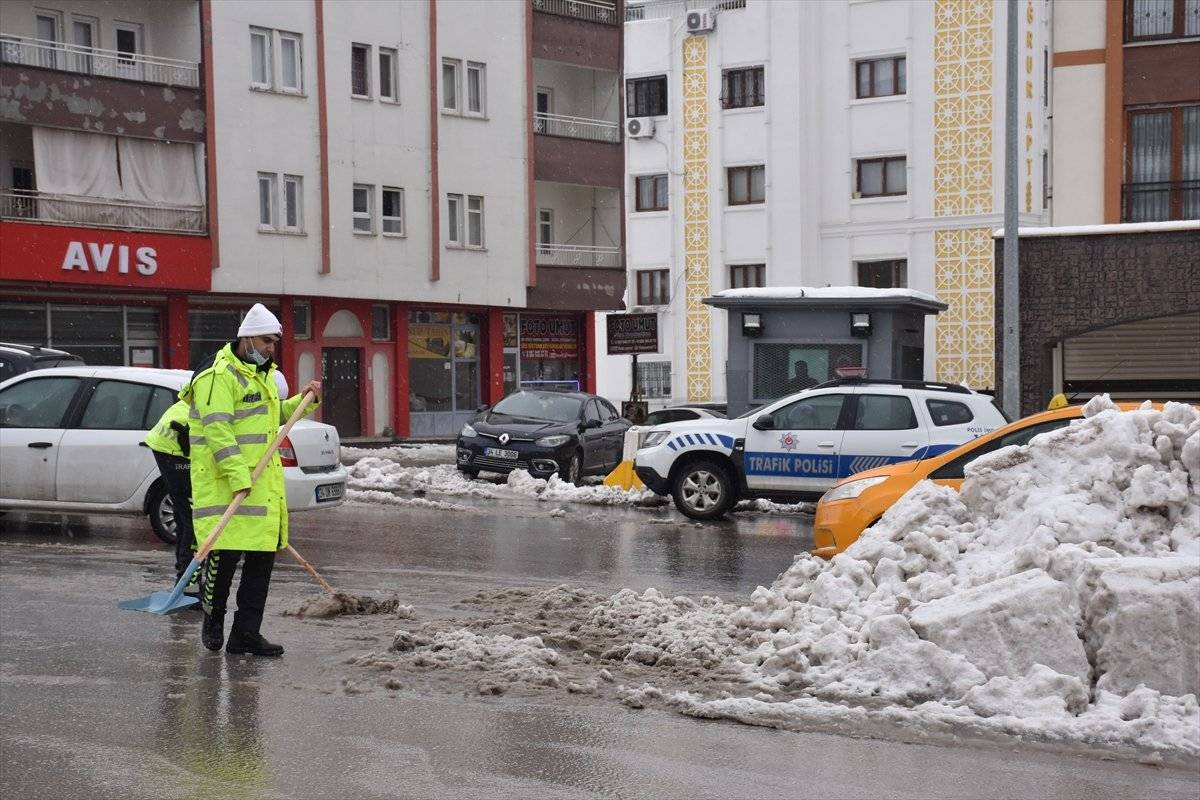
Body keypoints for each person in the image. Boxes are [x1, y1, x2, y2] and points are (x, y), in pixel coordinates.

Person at [181, 303, 321, 657]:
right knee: (222, 565)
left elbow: (273, 418)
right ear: (246, 339)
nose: (271, 349)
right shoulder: (218, 376)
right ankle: (213, 622)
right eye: (266, 342)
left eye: (274, 343)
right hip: (228, 488)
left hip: (261, 490)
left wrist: (304, 401)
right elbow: (218, 431)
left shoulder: (264, 377)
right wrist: (239, 477)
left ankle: (246, 633)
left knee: (259, 569)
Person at [145, 397, 197, 595]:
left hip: (176, 442)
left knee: (187, 517)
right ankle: (188, 587)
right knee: (192, 519)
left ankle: (185, 585)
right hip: (175, 444)